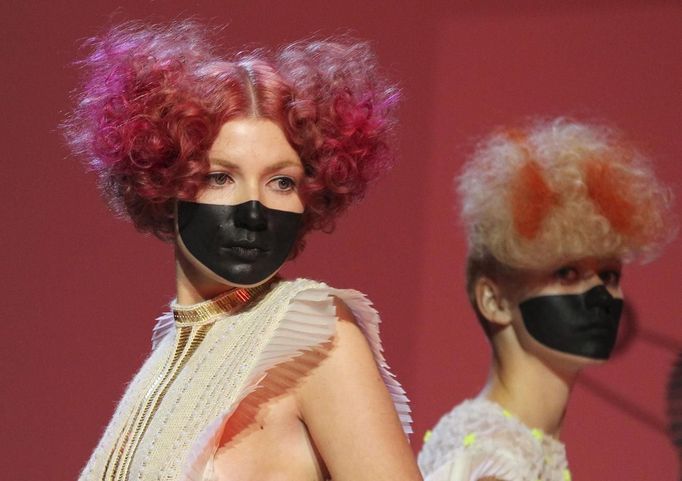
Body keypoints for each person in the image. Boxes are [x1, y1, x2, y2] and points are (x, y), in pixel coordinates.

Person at [64, 21, 421, 481]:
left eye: (281, 182)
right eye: (220, 177)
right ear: (165, 184)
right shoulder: (166, 354)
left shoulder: (315, 331)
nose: (254, 212)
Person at [418, 118, 676, 481]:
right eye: (567, 273)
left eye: (609, 274)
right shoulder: (493, 460)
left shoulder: (519, 445)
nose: (601, 296)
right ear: (494, 301)